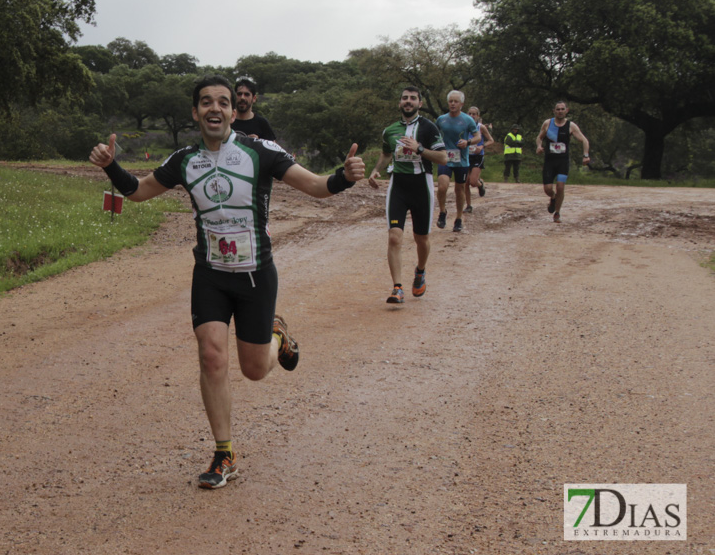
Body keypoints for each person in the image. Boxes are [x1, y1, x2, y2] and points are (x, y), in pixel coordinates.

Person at [88, 75, 365, 489]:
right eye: (205, 102)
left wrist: (344, 176)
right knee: (212, 356)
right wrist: (111, 165)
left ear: (234, 112)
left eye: (222, 102)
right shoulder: (184, 159)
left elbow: (315, 186)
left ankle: (277, 337)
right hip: (211, 275)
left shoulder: (260, 151)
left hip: (256, 275)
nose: (214, 108)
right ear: (195, 112)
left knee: (254, 371)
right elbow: (138, 192)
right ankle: (224, 453)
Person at [368, 86, 448, 304]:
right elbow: (386, 153)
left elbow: (443, 158)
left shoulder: (429, 128)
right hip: (398, 187)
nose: (408, 101)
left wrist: (419, 149)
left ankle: (420, 271)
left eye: (413, 98)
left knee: (421, 238)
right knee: (394, 236)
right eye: (405, 98)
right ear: (399, 103)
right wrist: (376, 169)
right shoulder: (390, 130)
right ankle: (397, 287)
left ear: (420, 104)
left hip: (422, 186)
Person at [535, 101, 590, 223]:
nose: (560, 111)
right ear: (554, 111)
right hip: (549, 161)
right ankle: (553, 198)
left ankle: (557, 213)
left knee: (560, 187)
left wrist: (586, 155)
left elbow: (584, 140)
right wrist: (539, 146)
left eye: (562, 109)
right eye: (558, 109)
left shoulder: (571, 126)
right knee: (548, 189)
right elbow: (539, 137)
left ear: (567, 110)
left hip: (562, 162)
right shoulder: (548, 123)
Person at [434, 90, 481, 232]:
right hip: (445, 158)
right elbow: (434, 135)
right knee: (442, 186)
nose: (453, 104)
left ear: (461, 104)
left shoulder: (468, 120)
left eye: (455, 101)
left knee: (459, 189)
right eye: (450, 101)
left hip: (461, 160)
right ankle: (442, 212)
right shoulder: (441, 119)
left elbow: (477, 136)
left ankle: (459, 218)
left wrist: (468, 142)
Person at [463, 106, 493, 213]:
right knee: (465, 182)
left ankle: (480, 184)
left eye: (474, 114)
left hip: (478, 156)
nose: (471, 116)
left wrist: (481, 146)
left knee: (473, 181)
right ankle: (468, 205)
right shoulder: (463, 126)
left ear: (478, 116)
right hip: (466, 156)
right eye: (469, 113)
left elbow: (491, 140)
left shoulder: (481, 127)